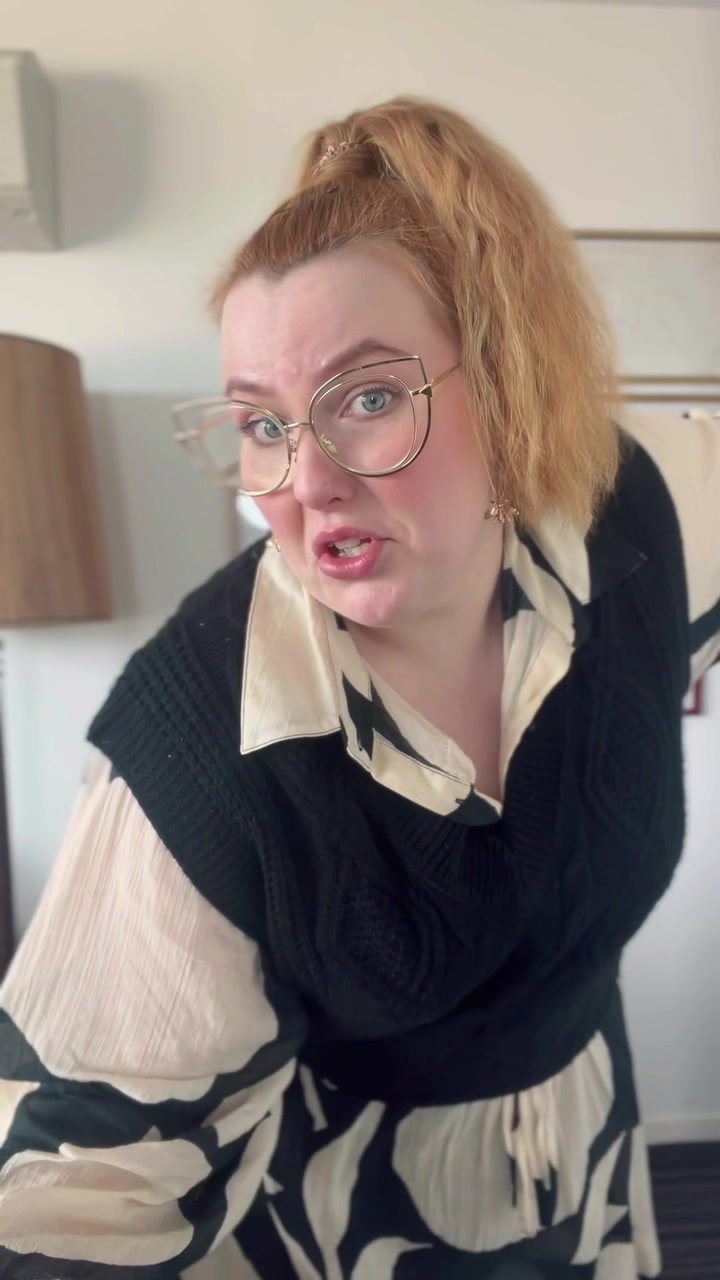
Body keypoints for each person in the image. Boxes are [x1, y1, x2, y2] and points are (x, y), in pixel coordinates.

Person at [0, 95, 717, 1280]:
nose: (304, 481)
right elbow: (80, 1193)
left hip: (592, 1148)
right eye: (261, 422)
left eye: (369, 397)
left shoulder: (632, 512)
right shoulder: (197, 741)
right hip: (345, 1220)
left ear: (508, 382)